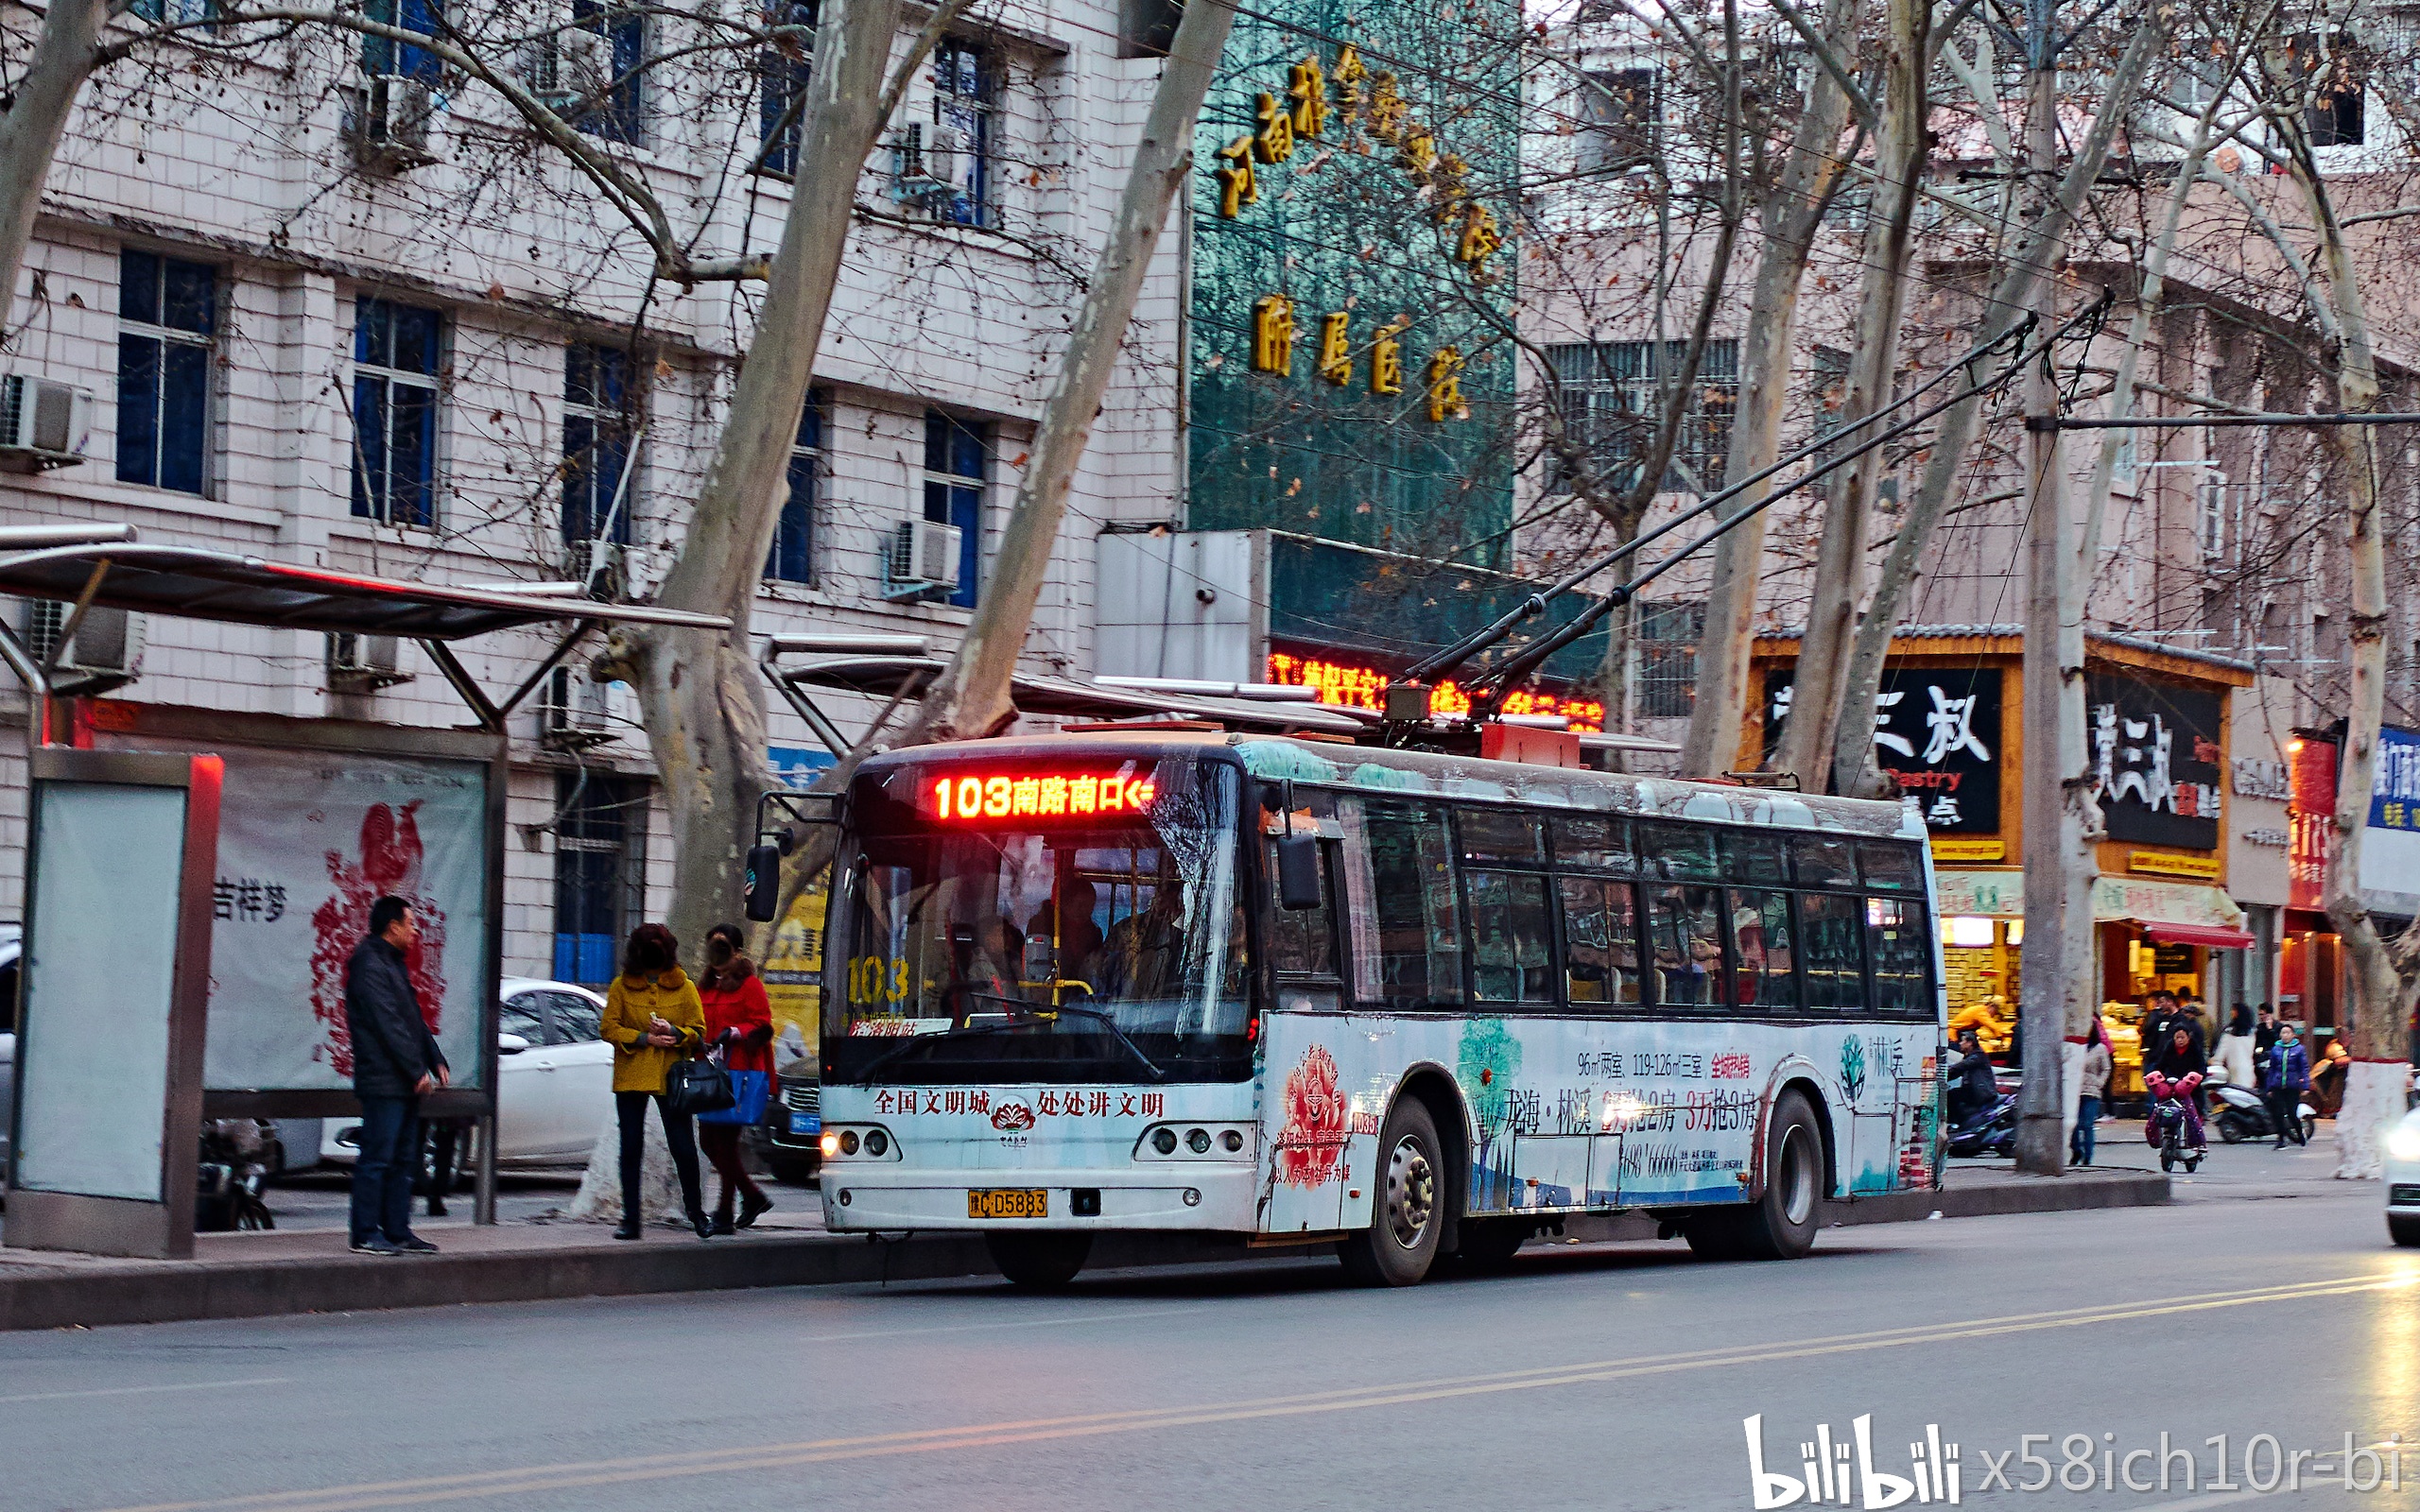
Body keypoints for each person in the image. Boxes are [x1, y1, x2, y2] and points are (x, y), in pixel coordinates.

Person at [343, 895, 448, 1256]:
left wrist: (434, 1058)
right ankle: (365, 1233)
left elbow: (411, 1018)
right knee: (377, 1157)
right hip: (383, 1080)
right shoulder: (369, 965)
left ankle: (398, 1230)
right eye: (411, 924)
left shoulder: (391, 964)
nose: (416, 931)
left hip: (401, 1081)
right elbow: (387, 1024)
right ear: (394, 927)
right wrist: (415, 1068)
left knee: (404, 1160)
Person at [602, 922, 711, 1241]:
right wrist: (643, 1038)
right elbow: (608, 1028)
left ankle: (696, 1213)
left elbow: (698, 1030)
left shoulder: (684, 986)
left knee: (683, 1147)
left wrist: (676, 1034)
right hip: (631, 1077)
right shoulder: (621, 986)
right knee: (630, 1148)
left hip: (672, 1076)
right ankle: (630, 1219)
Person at [697, 922, 775, 1234]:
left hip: (739, 1070)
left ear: (737, 951)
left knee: (726, 1143)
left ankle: (725, 1213)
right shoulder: (704, 985)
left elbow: (762, 1024)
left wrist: (736, 1032)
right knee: (707, 1140)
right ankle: (752, 1196)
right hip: (708, 1070)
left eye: (722, 947)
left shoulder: (749, 985)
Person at [2146, 1024, 2209, 1150]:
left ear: (2188, 1037)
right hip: (2172, 1085)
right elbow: (2160, 1065)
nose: (2180, 1040)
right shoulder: (2169, 1047)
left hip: (2191, 1088)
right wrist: (2158, 1077)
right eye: (2177, 1037)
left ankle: (2196, 1143)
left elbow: (2202, 1068)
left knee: (2191, 1114)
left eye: (2182, 1037)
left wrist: (2196, 1078)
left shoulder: (2194, 1048)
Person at [2264, 1022, 2310, 1148]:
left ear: (2293, 1035)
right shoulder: (2275, 1049)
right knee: (2278, 1113)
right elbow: (2272, 1069)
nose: (2285, 1035)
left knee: (2291, 1113)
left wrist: (2306, 1085)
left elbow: (2304, 1068)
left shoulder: (2299, 1049)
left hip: (2292, 1086)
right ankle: (2281, 1139)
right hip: (2278, 1085)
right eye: (2283, 1033)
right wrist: (2269, 1087)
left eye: (2287, 1033)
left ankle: (2300, 1134)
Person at [2073, 1018, 2112, 1166]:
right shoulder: (2076, 1046)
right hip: (2076, 1090)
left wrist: (2099, 1083)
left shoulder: (2100, 1048)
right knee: (2074, 1124)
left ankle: (2088, 1156)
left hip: (2092, 1091)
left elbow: (2106, 1068)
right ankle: (2076, 1150)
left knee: (2087, 1124)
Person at [1946, 1029, 1997, 1126]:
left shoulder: (1978, 1056)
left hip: (1981, 1093)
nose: (1960, 1044)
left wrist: (1945, 1071)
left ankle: (1955, 1123)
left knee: (1951, 1096)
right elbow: (1957, 1072)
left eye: (1962, 1041)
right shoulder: (1971, 1056)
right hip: (1972, 1091)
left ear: (1970, 1043)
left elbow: (1961, 1066)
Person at [2217, 1002, 2256, 1088]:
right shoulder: (2253, 1033)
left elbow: (2220, 1056)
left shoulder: (2229, 1033)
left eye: (2233, 1010)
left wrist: (2214, 1062)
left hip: (2233, 1071)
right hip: (2249, 1070)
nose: (2231, 1012)